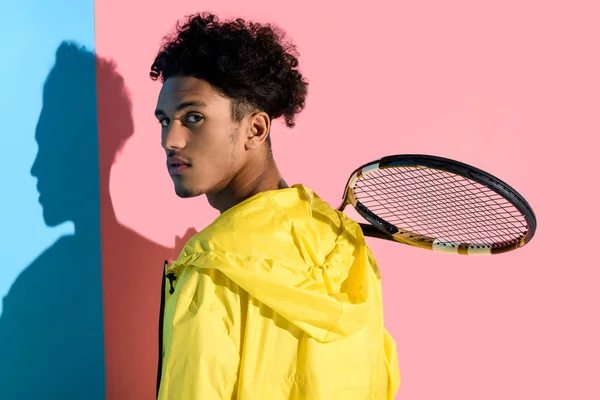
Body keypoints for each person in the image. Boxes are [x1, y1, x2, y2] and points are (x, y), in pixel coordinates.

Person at [151, 12, 400, 399]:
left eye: (193, 117)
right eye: (165, 121)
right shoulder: (349, 247)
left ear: (255, 128)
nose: (171, 140)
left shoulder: (211, 270)